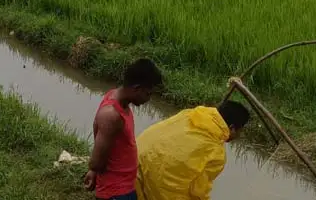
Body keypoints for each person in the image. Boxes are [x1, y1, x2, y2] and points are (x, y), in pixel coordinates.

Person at [135, 101, 251, 200]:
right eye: (239, 131)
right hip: (156, 189)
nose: (238, 135)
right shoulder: (216, 152)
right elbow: (198, 193)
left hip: (133, 167)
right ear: (232, 128)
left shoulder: (190, 113)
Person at [85, 59, 164, 200]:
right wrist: (94, 169)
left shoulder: (119, 100)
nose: (148, 99)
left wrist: (93, 171)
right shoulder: (111, 115)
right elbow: (97, 162)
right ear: (137, 89)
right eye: (148, 94)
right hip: (115, 192)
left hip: (125, 186)